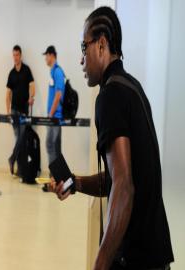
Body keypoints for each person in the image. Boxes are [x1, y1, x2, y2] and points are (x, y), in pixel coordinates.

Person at [50, 6, 174, 270]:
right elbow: (120, 177)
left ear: (102, 44)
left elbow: (124, 187)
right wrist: (76, 183)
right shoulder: (131, 87)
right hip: (154, 255)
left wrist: (101, 261)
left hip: (135, 258)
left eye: (84, 48)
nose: (81, 60)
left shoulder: (110, 96)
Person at [6, 45, 35, 176]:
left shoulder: (26, 70)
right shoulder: (11, 73)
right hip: (14, 111)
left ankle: (12, 159)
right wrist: (8, 112)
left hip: (24, 111)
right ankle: (19, 169)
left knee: (21, 138)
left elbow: (32, 86)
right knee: (19, 138)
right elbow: (7, 94)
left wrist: (31, 97)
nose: (15, 57)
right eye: (13, 55)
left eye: (17, 55)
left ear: (21, 55)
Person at [42, 45, 65, 192]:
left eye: (46, 56)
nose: (45, 58)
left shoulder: (58, 72)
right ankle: (57, 181)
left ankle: (54, 179)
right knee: (54, 148)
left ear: (52, 55)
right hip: (53, 117)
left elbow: (58, 94)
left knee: (51, 146)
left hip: (55, 118)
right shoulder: (53, 71)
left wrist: (50, 114)